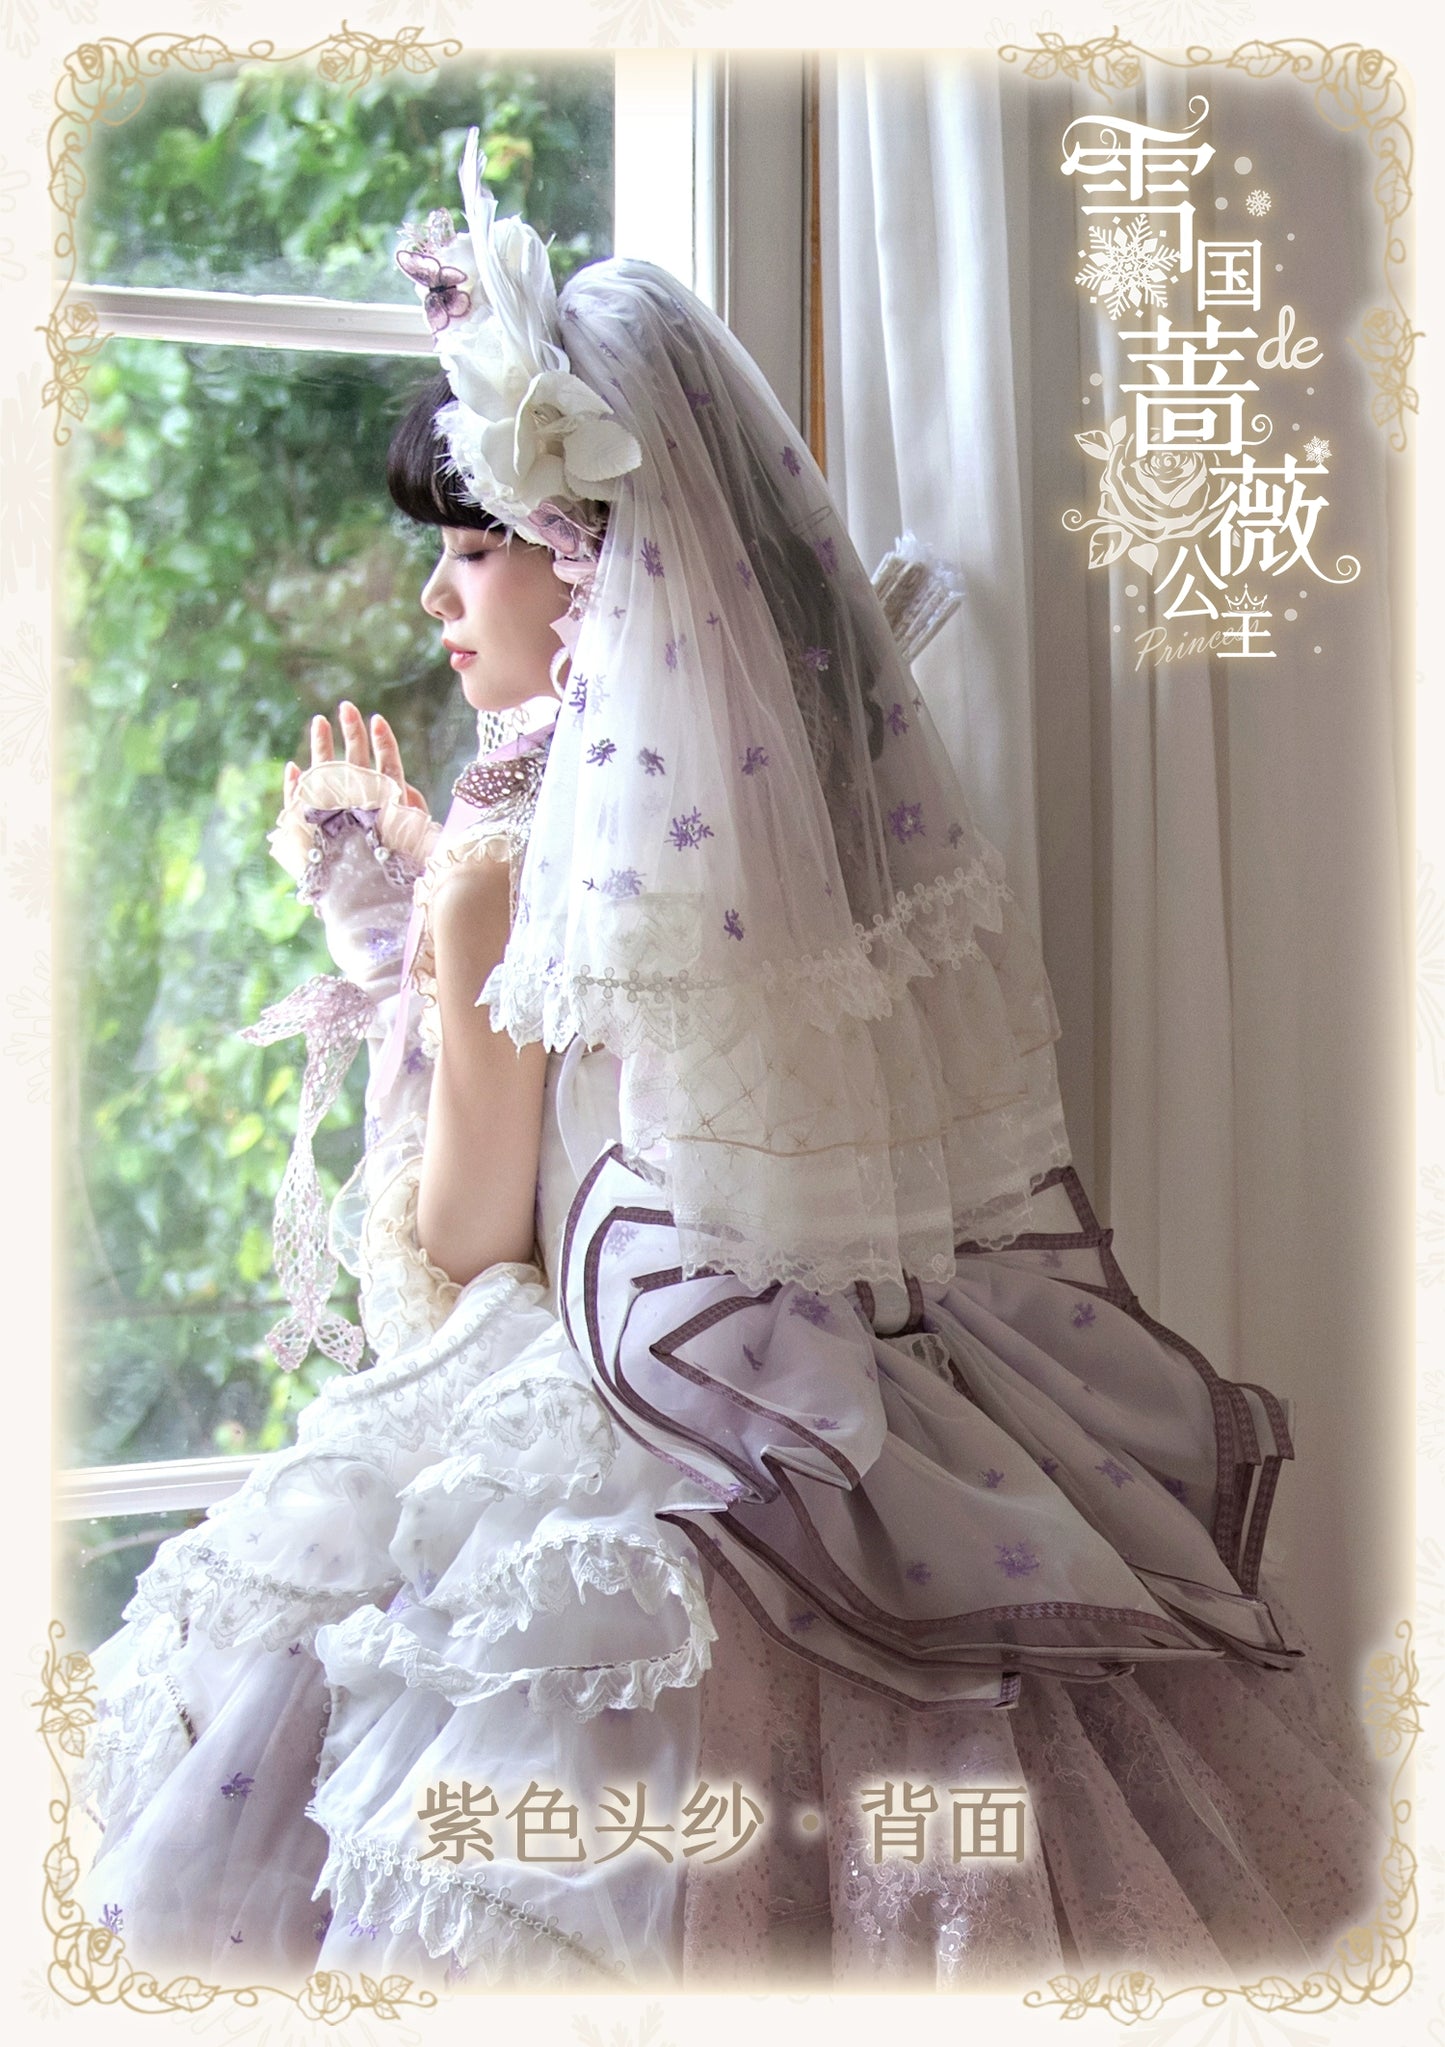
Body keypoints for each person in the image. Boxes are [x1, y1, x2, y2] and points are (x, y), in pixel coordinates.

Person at [74, 130, 1388, 1994]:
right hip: (856, 1401)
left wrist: (395, 944)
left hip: (618, 1409)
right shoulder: (807, 828)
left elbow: (458, 1252)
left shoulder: (500, 867)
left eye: (473, 551)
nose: (440, 600)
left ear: (596, 566)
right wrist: (417, 936)